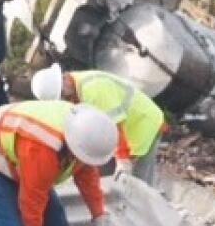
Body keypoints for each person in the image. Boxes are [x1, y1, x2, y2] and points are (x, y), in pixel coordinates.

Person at [31, 64, 166, 185]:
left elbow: (114, 127)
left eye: (61, 94)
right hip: (128, 129)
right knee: (107, 179)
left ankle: (146, 210)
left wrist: (123, 160)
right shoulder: (74, 89)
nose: (63, 99)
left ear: (65, 80)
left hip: (143, 124)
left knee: (138, 186)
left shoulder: (93, 90)